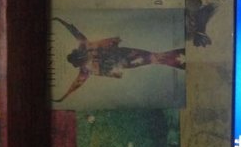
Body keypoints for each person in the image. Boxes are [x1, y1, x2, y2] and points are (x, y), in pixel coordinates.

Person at [52, 17, 185, 103]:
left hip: (124, 53)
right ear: (79, 62)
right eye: (82, 60)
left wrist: (61, 21)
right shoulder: (85, 69)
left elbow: (75, 32)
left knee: (151, 57)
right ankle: (177, 60)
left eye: (82, 56)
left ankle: (177, 59)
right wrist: (65, 96)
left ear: (78, 52)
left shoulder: (85, 47)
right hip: (124, 62)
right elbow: (76, 85)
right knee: (151, 59)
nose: (86, 58)